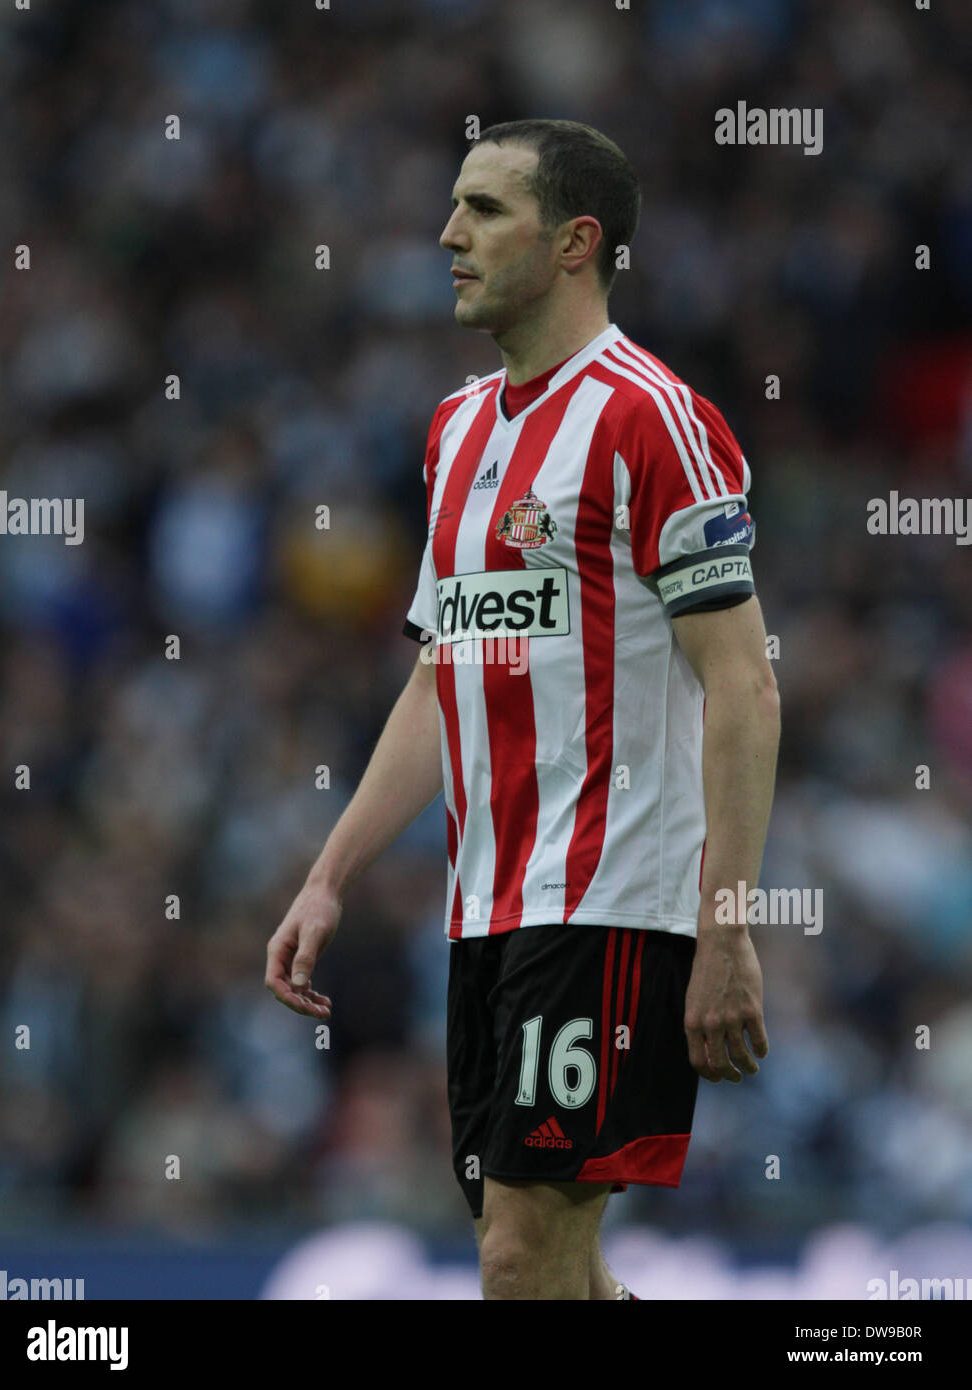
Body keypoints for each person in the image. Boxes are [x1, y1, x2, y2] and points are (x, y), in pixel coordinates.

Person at [266, 118, 781, 1300]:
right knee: (554, 1266)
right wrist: (329, 873)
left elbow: (745, 685)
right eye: (453, 205)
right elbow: (439, 674)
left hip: (612, 897)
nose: (447, 235)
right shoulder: (455, 433)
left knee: (517, 1256)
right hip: (484, 910)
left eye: (484, 209)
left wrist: (727, 923)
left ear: (574, 242)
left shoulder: (653, 419)